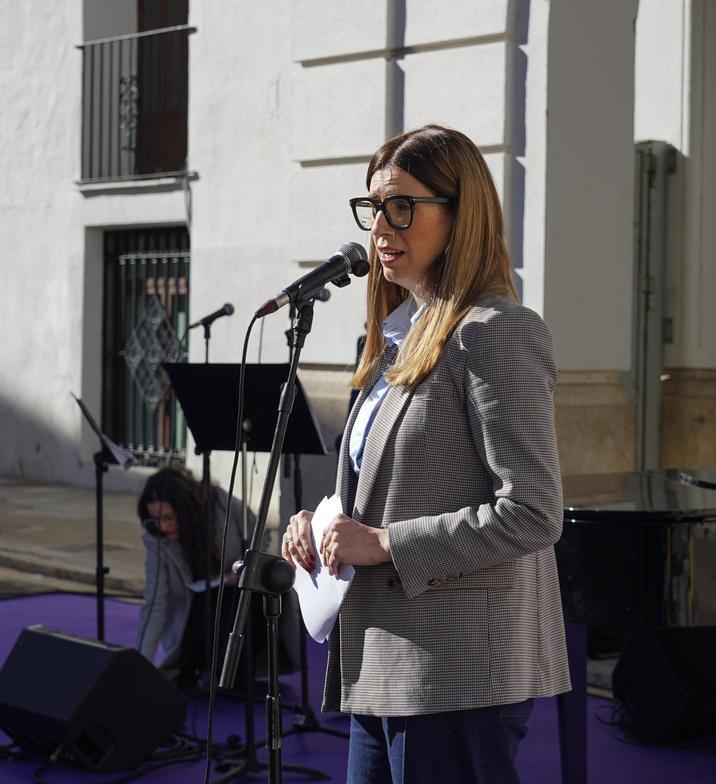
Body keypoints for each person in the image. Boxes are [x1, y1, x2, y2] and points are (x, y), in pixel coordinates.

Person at [281, 125, 570, 783]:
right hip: (382, 658)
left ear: (461, 215)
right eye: (374, 207)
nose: (382, 226)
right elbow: (386, 485)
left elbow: (532, 513)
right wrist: (322, 526)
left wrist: (382, 543)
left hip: (457, 670)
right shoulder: (394, 338)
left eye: (402, 206)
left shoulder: (496, 332)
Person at [135, 465, 244, 689]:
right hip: (194, 609)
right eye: (155, 520)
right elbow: (155, 603)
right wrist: (140, 665)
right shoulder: (156, 540)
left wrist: (244, 569)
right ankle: (199, 669)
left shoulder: (220, 503)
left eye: (169, 518)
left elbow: (259, 533)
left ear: (185, 510)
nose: (163, 527)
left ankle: (228, 672)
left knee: (226, 604)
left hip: (237, 597)